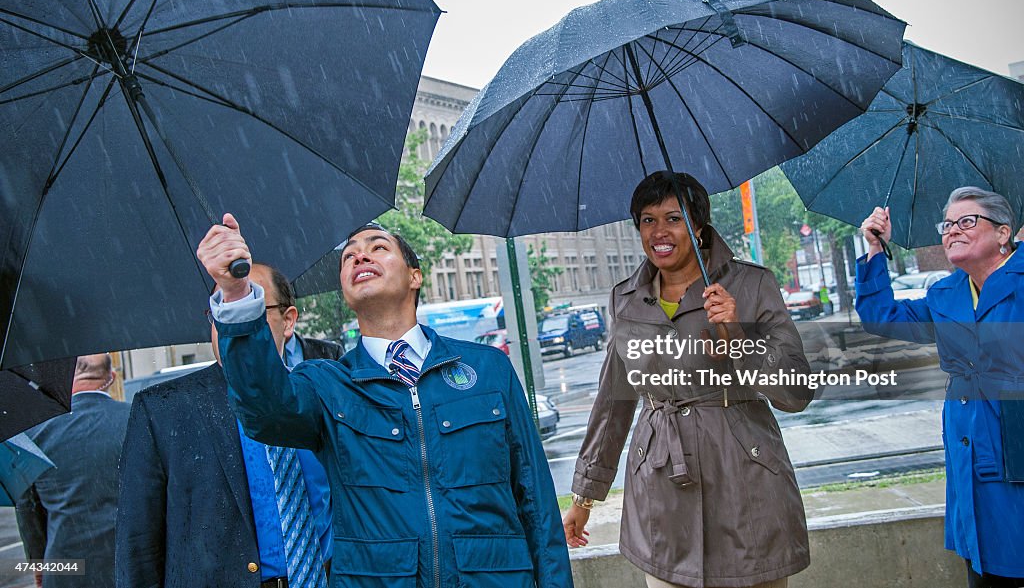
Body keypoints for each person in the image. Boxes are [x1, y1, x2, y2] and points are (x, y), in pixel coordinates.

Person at [197, 217, 572, 588]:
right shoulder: (328, 385)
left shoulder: (488, 369)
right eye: (349, 257)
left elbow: (536, 501)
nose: (360, 258)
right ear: (344, 291)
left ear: (414, 276)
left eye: (378, 247)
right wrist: (236, 296)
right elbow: (265, 410)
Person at [562, 171, 812, 588]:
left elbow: (796, 391)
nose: (659, 231)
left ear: (698, 227)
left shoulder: (751, 285)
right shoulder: (625, 301)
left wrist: (737, 333)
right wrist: (585, 495)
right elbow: (613, 403)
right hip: (660, 485)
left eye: (673, 218)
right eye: (647, 220)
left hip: (744, 479)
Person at [116, 263, 335, 588]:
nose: (234, 319)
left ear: (288, 320)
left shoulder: (324, 394)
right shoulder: (163, 409)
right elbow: (138, 546)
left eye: (250, 305)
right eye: (224, 308)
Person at [857, 187, 1024, 586]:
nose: (952, 231)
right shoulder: (945, 294)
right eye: (947, 224)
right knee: (984, 564)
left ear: (1004, 234)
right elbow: (883, 317)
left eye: (968, 221)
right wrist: (875, 249)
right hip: (969, 449)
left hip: (1015, 443)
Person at [15, 354, 130, 588]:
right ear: (112, 377)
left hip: (67, 569)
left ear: (65, 380)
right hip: (129, 563)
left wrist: (39, 564)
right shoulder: (136, 418)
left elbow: (28, 510)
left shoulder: (35, 433)